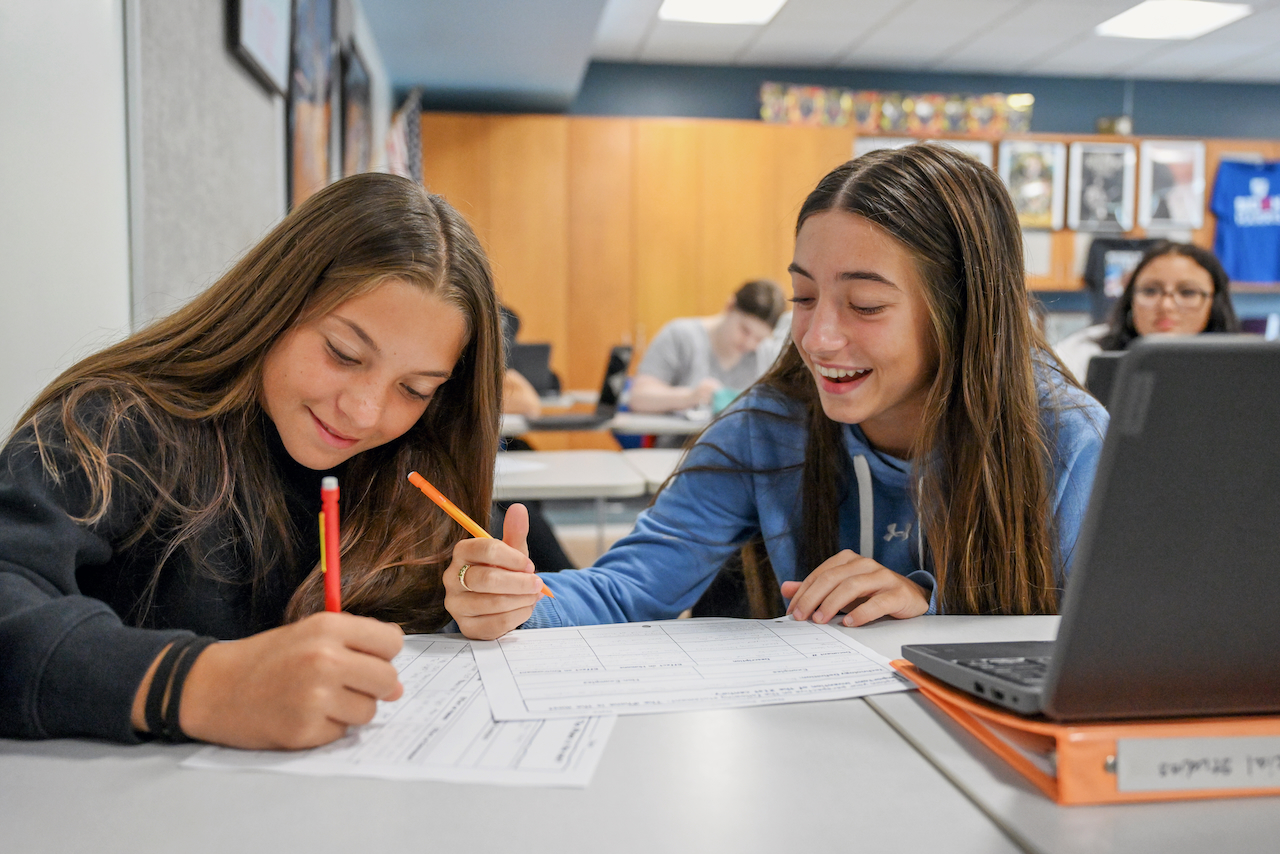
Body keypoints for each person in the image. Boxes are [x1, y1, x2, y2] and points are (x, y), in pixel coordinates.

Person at [443, 143, 1109, 640]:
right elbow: (626, 592)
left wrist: (927, 614)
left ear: (963, 312)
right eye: (804, 296)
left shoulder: (1067, 437)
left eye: (866, 305)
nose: (818, 338)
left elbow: (1103, 644)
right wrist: (514, 601)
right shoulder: (772, 425)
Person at [0, 173, 533, 749]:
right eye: (343, 353)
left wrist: (466, 603)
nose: (363, 411)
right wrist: (200, 686)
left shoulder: (410, 467)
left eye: (415, 388)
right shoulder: (114, 426)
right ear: (274, 303)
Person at [1054, 242, 1241, 383]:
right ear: (1130, 300)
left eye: (1187, 292)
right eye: (1150, 291)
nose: (1166, 305)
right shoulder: (1080, 355)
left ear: (1215, 302)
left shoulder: (1242, 367)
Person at [627, 279, 786, 413]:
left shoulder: (766, 352)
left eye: (759, 338)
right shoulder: (681, 336)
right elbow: (639, 397)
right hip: (680, 445)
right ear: (730, 306)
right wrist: (689, 397)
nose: (749, 343)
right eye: (745, 330)